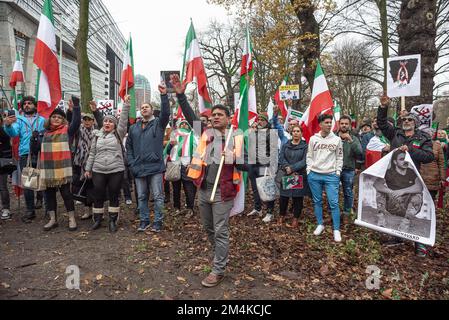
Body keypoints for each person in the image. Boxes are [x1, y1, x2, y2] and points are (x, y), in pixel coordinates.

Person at [187, 104, 244, 288]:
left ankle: (218, 269)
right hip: (204, 189)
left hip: (223, 192)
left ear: (228, 118)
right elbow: (190, 117)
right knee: (209, 228)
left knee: (220, 230)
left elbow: (249, 164)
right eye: (213, 115)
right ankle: (221, 255)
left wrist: (234, 157)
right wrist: (180, 95)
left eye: (220, 114)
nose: (215, 117)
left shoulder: (236, 137)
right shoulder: (207, 133)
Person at [377, 95, 435, 255]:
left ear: (415, 122)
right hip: (395, 180)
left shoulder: (423, 138)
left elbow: (429, 156)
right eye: (405, 120)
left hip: (414, 181)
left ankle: (420, 244)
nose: (407, 122)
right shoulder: (395, 134)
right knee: (396, 209)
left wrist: (412, 151)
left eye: (410, 119)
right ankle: (397, 237)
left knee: (416, 213)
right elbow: (382, 124)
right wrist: (383, 107)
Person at [126, 85, 170, 233]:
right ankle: (144, 221)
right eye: (142, 107)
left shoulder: (159, 123)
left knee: (158, 196)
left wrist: (164, 96)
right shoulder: (133, 128)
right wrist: (132, 164)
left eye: (147, 107)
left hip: (155, 167)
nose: (144, 108)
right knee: (142, 196)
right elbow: (129, 147)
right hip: (139, 168)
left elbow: (166, 113)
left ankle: (158, 221)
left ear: (152, 110)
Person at [85, 96, 130, 233]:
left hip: (115, 169)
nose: (107, 123)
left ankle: (112, 219)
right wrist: (88, 169)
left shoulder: (118, 134)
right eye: (105, 121)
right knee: (98, 194)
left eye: (110, 121)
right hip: (98, 169)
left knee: (113, 194)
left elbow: (123, 120)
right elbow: (92, 153)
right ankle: (98, 219)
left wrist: (126, 104)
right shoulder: (97, 135)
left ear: (114, 125)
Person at [3, 96, 46, 223]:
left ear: (35, 105)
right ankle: (30, 210)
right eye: (25, 104)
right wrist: (8, 125)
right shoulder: (19, 121)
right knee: (27, 183)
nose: (27, 105)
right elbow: (13, 133)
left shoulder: (42, 120)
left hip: (40, 153)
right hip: (25, 154)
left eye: (30, 103)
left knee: (42, 180)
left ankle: (42, 201)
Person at [40, 98, 81, 232]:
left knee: (66, 194)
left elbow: (76, 122)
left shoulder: (67, 131)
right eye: (54, 117)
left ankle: (71, 218)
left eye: (59, 117)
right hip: (48, 169)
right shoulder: (44, 133)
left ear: (63, 120)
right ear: (50, 119)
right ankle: (52, 219)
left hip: (63, 169)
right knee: (49, 195)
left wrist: (75, 107)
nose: (56, 119)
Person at [307, 114, 344, 243]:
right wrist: (309, 170)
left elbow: (339, 157)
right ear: (320, 124)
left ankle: (336, 229)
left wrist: (337, 172)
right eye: (326, 122)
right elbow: (309, 155)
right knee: (317, 201)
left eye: (330, 122)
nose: (329, 124)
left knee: (333, 203)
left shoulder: (336, 139)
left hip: (331, 175)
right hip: (314, 174)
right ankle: (320, 224)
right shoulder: (313, 139)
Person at [374, 150, 424, 232]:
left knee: (418, 194)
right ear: (395, 162)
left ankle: (406, 221)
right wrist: (391, 192)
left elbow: (419, 187)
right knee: (380, 191)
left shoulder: (411, 172)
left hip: (406, 207)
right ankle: (381, 217)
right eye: (401, 159)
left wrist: (402, 191)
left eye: (406, 159)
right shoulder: (389, 172)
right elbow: (377, 184)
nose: (405, 161)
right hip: (392, 204)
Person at [70, 101, 104, 220]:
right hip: (81, 163)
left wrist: (95, 111)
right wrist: (73, 110)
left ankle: (98, 211)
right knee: (84, 188)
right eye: (85, 120)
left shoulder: (99, 131)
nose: (87, 122)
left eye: (89, 120)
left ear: (93, 121)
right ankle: (87, 211)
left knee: (96, 188)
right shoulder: (79, 131)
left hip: (95, 163)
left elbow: (101, 122)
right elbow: (72, 123)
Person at [277, 125, 309, 227]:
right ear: (291, 133)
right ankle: (281, 216)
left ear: (301, 133)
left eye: (298, 131)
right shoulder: (286, 145)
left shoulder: (305, 146)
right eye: (294, 131)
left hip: (299, 174)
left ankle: (295, 218)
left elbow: (305, 160)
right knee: (284, 197)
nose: (295, 133)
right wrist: (288, 168)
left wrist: (293, 168)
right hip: (287, 173)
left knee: (297, 198)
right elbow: (281, 158)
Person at [167, 119, 198, 217]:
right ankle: (177, 208)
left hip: (187, 166)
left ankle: (190, 208)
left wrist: (192, 163)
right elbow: (168, 151)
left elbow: (197, 151)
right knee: (175, 189)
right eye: (182, 124)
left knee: (189, 189)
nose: (184, 125)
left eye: (186, 124)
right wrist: (170, 145)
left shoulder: (193, 137)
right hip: (176, 166)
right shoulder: (174, 137)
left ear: (189, 126)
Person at [337, 115, 363, 222]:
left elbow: (360, 154)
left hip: (348, 170)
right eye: (342, 123)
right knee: (334, 192)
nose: (344, 125)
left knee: (348, 192)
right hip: (334, 170)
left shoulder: (354, 138)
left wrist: (351, 140)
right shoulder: (332, 137)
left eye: (346, 124)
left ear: (349, 125)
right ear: (339, 124)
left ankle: (347, 213)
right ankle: (334, 213)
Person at [0, 115, 13, 220]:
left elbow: (6, 141)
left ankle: (6, 208)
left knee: (2, 187)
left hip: (2, 164)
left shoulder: (3, 132)